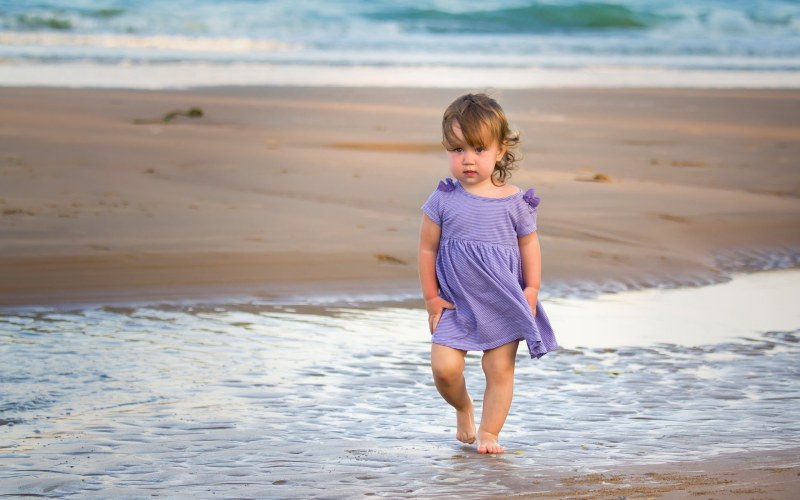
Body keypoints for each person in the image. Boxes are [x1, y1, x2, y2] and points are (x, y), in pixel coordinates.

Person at [418, 93, 557, 454]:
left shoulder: (515, 202)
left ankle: (489, 433)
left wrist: (532, 288)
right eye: (458, 149)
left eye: (479, 149)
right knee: (444, 369)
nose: (468, 159)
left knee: (499, 369)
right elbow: (427, 249)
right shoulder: (443, 199)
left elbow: (529, 245)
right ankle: (463, 407)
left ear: (500, 150)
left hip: (502, 301)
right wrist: (431, 298)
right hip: (456, 302)